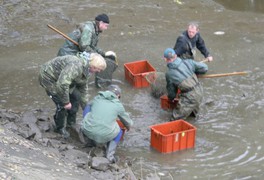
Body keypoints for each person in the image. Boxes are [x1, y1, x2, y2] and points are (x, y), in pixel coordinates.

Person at [38, 52, 106, 138]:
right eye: (99, 69)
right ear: (93, 66)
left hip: (63, 78)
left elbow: (83, 88)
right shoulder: (76, 66)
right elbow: (62, 84)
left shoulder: (87, 70)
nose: (99, 72)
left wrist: (85, 107)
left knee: (76, 97)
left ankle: (71, 123)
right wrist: (66, 102)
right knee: (61, 104)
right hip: (49, 78)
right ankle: (59, 128)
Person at [57, 13, 117, 88]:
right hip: (68, 54)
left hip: (76, 52)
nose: (106, 28)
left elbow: (92, 47)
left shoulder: (95, 29)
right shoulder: (88, 29)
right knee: (69, 79)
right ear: (101, 23)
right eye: (106, 26)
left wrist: (103, 53)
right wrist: (97, 56)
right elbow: (84, 47)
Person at [81, 84, 133, 163]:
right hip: (105, 134)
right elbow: (128, 122)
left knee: (88, 107)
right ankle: (109, 155)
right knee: (119, 131)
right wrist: (128, 127)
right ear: (118, 96)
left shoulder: (96, 98)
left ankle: (89, 143)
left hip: (87, 129)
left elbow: (88, 107)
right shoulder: (118, 105)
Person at [163, 48, 208, 121]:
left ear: (165, 59)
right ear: (176, 56)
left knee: (175, 120)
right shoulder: (188, 62)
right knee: (193, 116)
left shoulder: (169, 74)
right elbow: (205, 68)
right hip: (199, 90)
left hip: (190, 97)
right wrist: (194, 71)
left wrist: (170, 100)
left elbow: (172, 94)